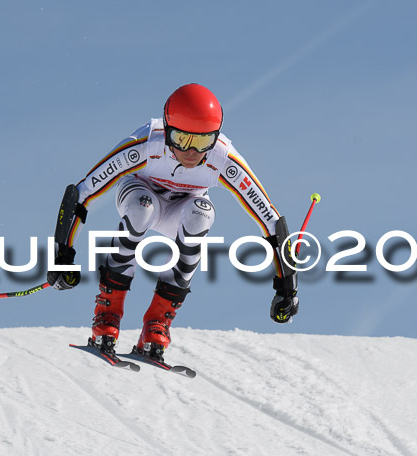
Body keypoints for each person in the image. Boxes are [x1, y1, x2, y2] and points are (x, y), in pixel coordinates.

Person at [47, 83, 298, 362]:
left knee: (201, 213)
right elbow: (82, 193)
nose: (191, 153)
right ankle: (107, 313)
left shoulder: (222, 158)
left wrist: (286, 286)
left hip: (182, 210)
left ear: (215, 138)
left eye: (202, 142)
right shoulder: (146, 143)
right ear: (167, 131)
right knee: (143, 209)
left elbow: (271, 222)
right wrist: (62, 256)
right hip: (139, 195)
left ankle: (157, 323)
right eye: (181, 140)